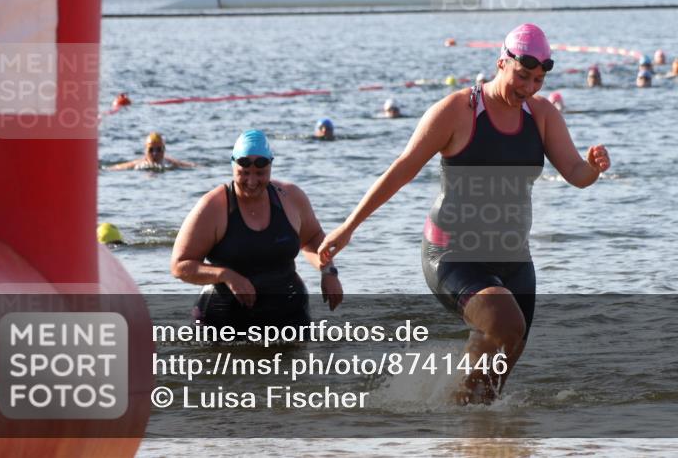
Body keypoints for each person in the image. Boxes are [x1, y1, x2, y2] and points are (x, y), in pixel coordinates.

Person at [317, 24, 610, 404]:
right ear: (501, 62)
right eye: (522, 76)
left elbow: (574, 173)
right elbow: (403, 168)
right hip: (452, 254)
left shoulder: (541, 115)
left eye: (538, 79)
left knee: (504, 361)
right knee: (507, 325)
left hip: (513, 257)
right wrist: (349, 225)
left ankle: (469, 430)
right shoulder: (459, 110)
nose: (529, 87)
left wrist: (593, 168)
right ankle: (447, 410)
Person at [171, 130, 342, 332]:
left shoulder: (291, 198)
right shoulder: (213, 207)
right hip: (223, 322)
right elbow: (180, 266)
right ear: (233, 166)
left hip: (289, 316)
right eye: (244, 173)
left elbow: (313, 239)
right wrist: (226, 275)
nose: (252, 182)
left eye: (260, 173)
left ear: (270, 166)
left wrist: (328, 271)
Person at [108, 132, 195, 170]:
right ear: (145, 151)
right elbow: (116, 168)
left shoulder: (171, 163)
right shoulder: (138, 164)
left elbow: (192, 166)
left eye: (158, 150)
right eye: (151, 150)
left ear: (164, 150)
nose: (155, 153)